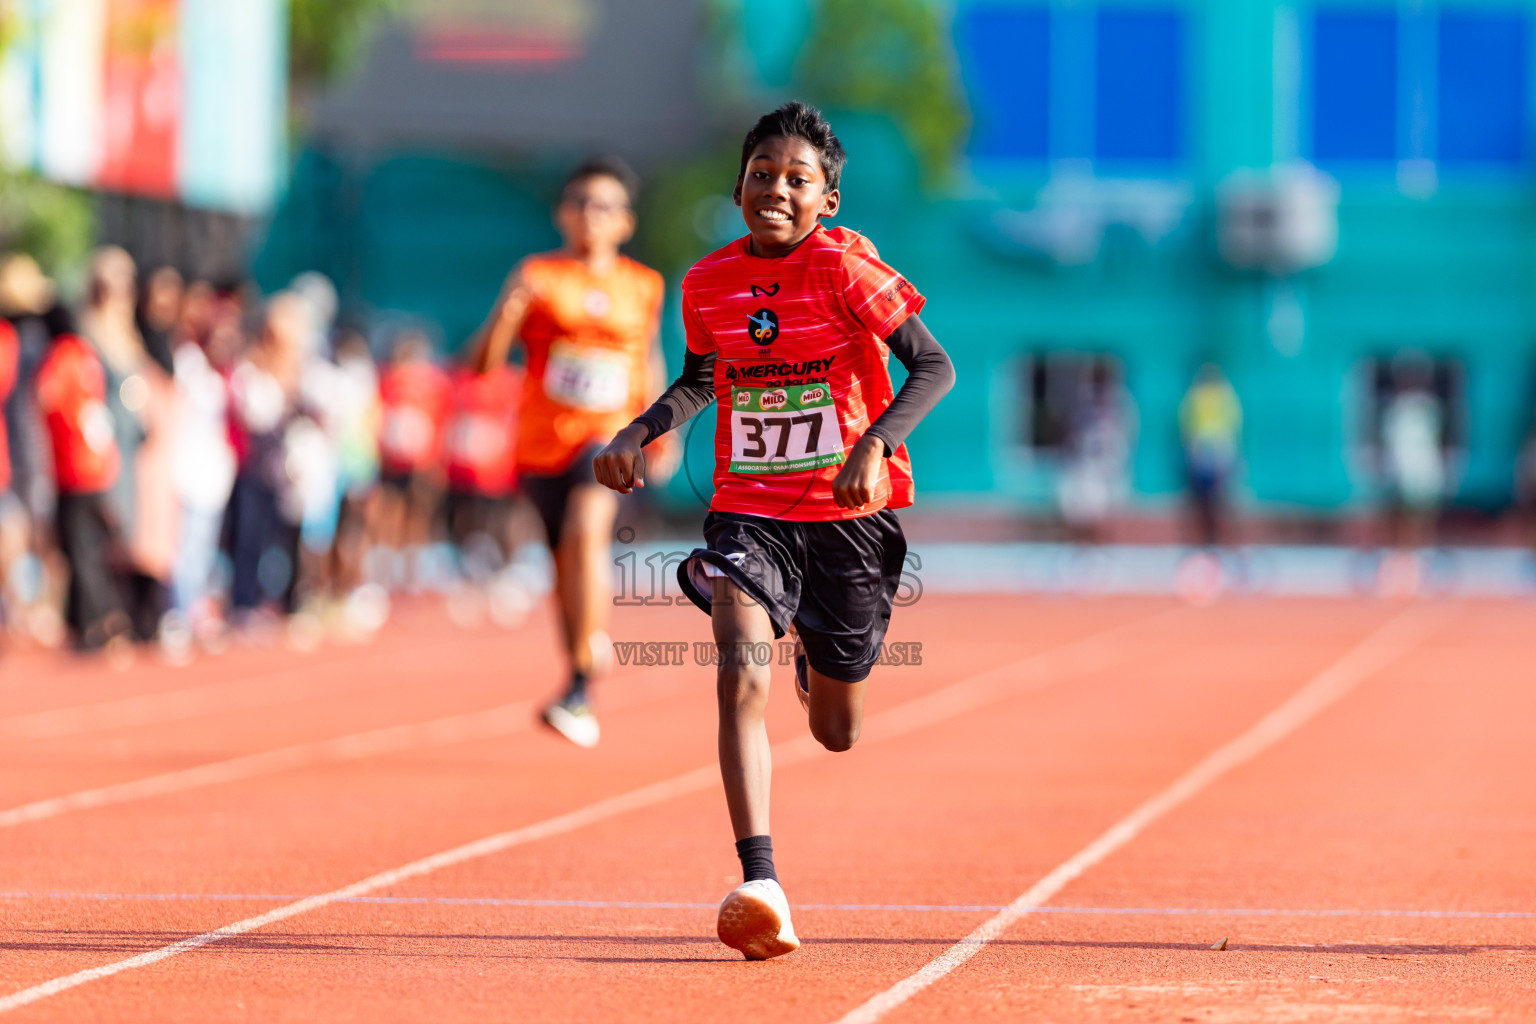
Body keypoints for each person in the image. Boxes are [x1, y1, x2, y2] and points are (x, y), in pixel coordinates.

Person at [593, 102, 954, 960]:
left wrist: (876, 444)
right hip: (750, 510)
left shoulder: (848, 270)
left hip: (848, 519)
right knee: (735, 672)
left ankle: (816, 655)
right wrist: (636, 433)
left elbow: (935, 365)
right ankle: (762, 884)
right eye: (762, 175)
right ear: (738, 186)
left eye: (798, 180)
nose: (776, 191)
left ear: (828, 198)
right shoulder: (708, 282)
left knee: (837, 730)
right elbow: (700, 381)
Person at [471, 155, 676, 747]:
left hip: (608, 439)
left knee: (588, 533)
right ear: (563, 213)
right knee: (564, 568)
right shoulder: (537, 276)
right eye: (582, 203)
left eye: (606, 206)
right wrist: (507, 314)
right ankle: (579, 663)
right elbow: (484, 365)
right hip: (541, 444)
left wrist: (660, 427)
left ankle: (581, 684)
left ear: (625, 222)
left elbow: (649, 358)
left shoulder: (643, 285)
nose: (593, 215)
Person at [35, 307, 126, 651]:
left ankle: (102, 614)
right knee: (88, 546)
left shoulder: (61, 355)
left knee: (77, 550)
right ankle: (83, 624)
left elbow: (47, 396)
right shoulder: (87, 353)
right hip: (96, 464)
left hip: (72, 466)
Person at [374, 329, 451, 591]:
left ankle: (412, 571)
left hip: (420, 462)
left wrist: (435, 462)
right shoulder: (387, 381)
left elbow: (439, 423)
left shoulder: (432, 386)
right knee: (389, 514)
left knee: (417, 518)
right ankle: (386, 568)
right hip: (392, 462)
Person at [1179, 363, 1242, 547]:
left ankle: (1212, 540)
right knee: (1216, 500)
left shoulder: (1196, 395)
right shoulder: (1226, 395)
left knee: (1207, 501)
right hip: (1217, 451)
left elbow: (1185, 424)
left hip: (1204, 450)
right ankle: (1216, 540)